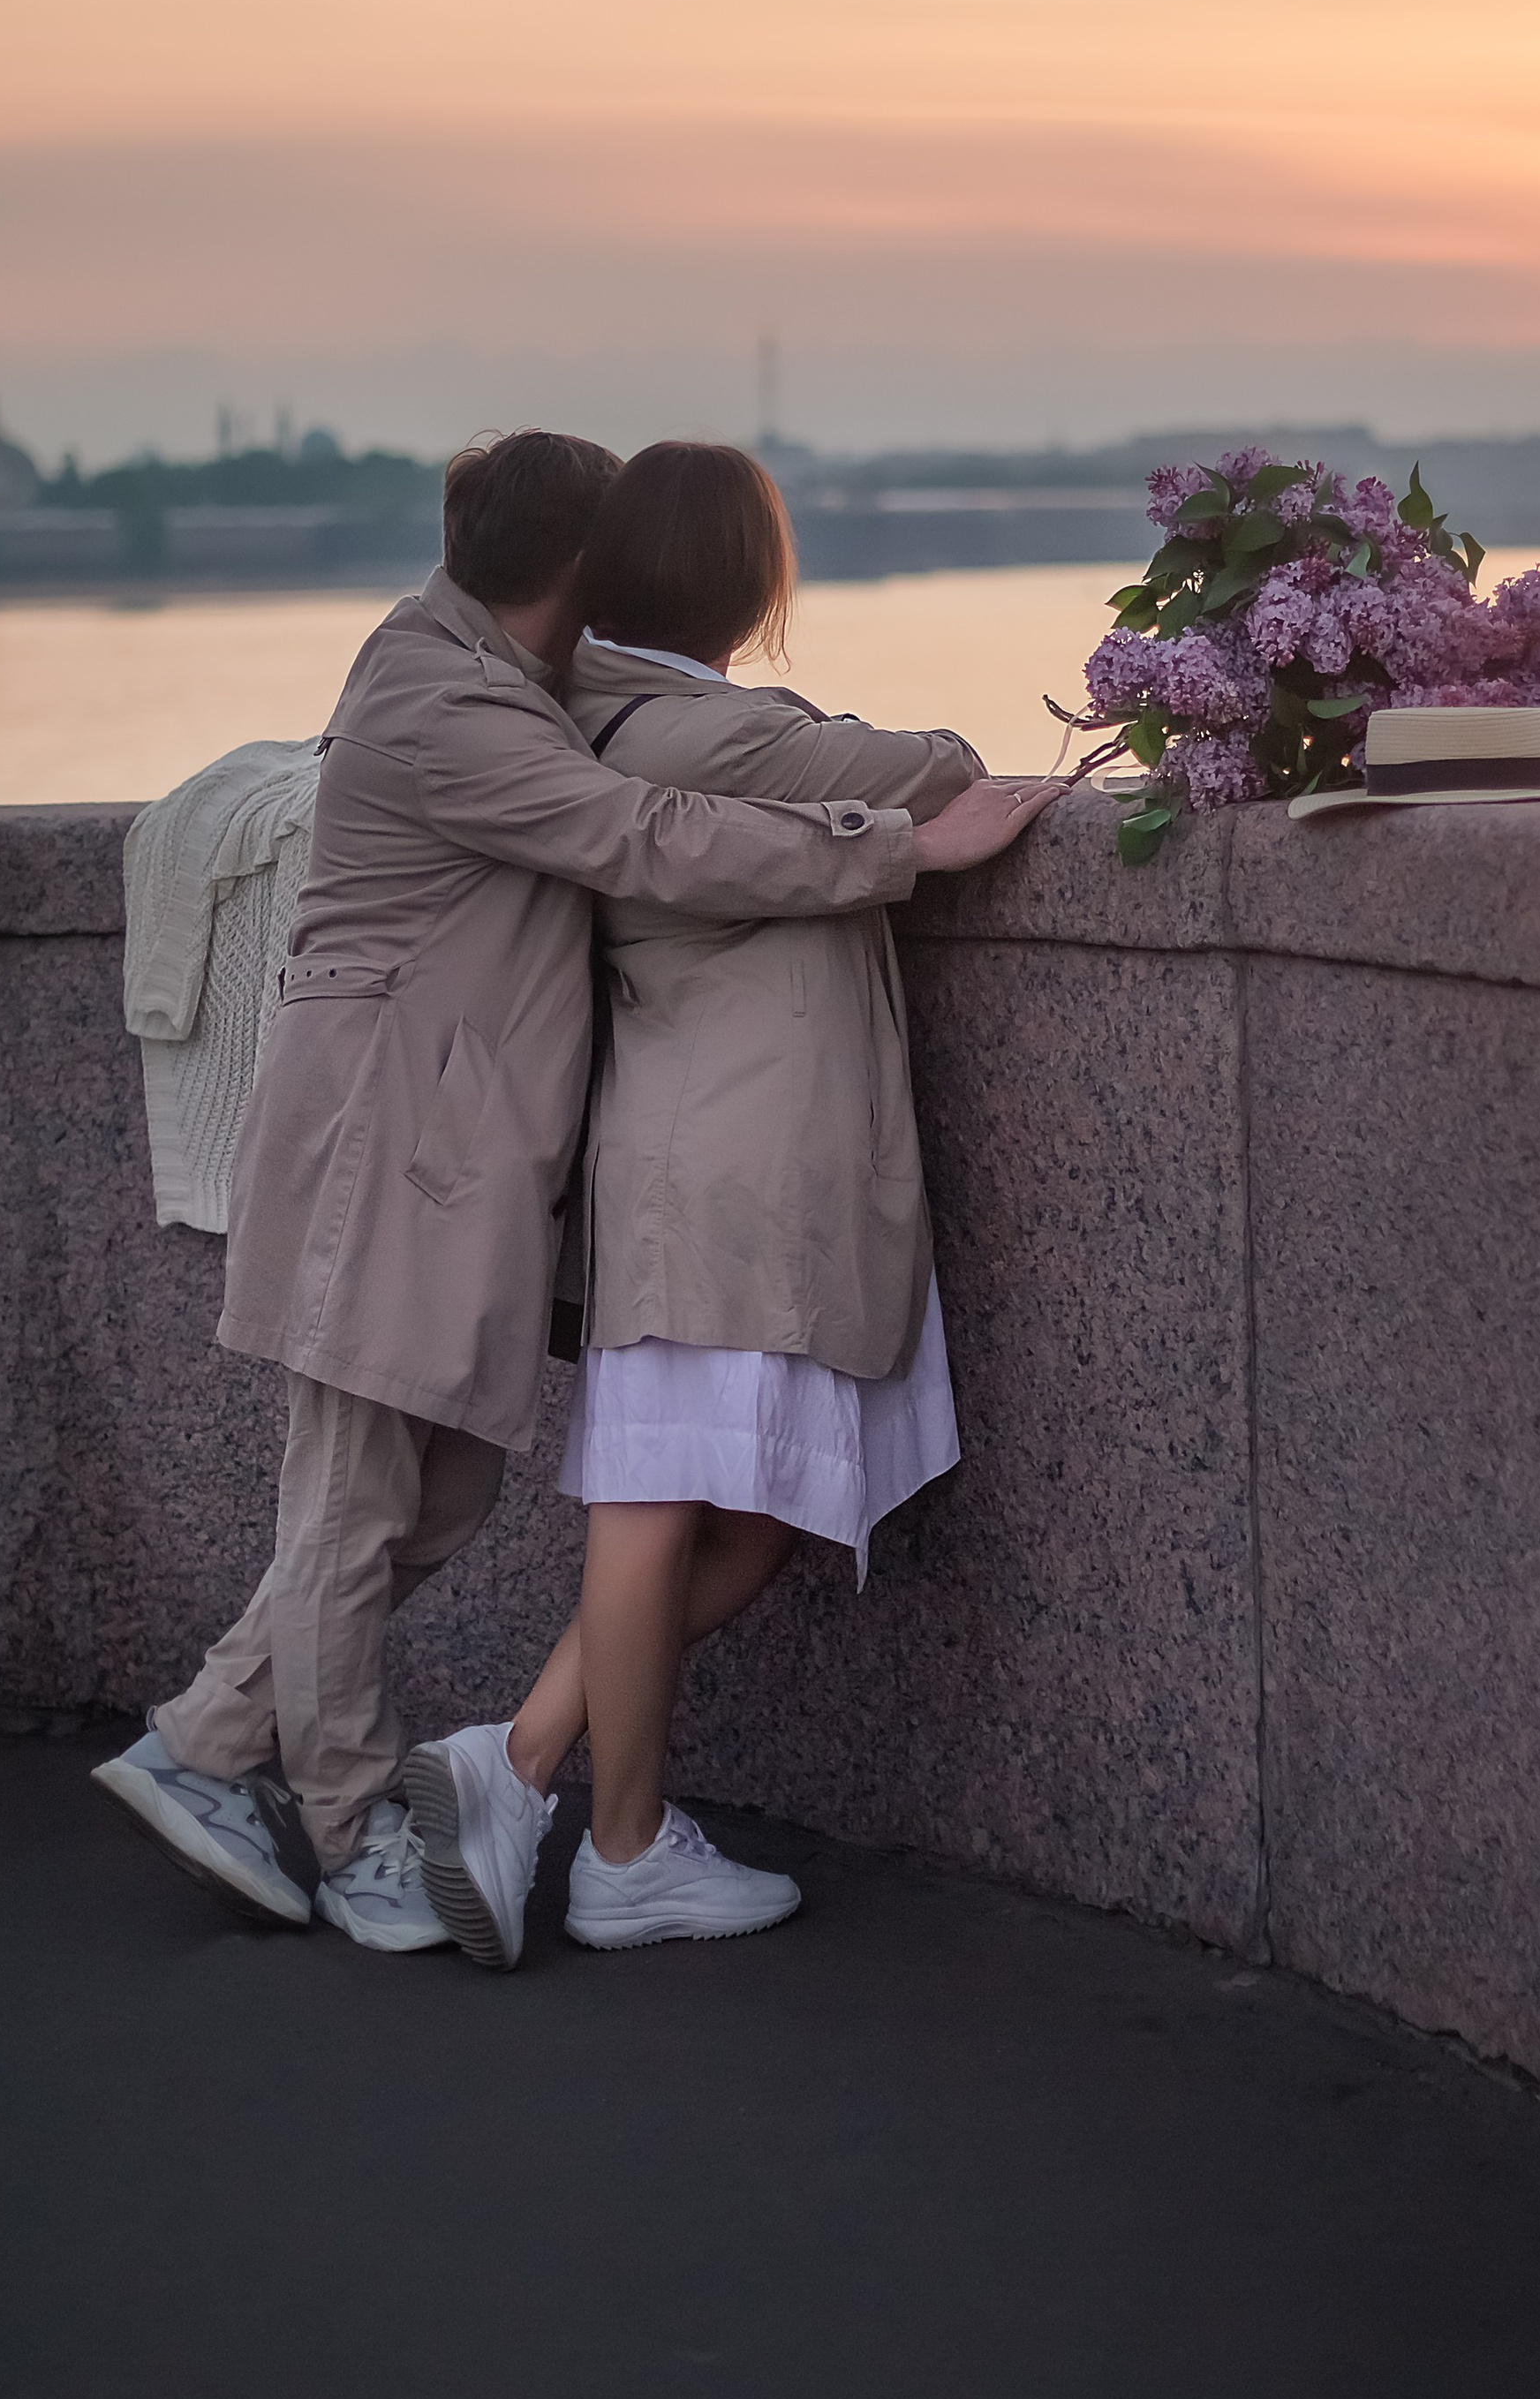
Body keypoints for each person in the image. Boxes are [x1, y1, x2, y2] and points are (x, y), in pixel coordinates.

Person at [93, 428, 1054, 1950]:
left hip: (451, 1152)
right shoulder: (442, 698)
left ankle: (208, 1743)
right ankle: (345, 1839)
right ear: (577, 569)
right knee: (352, 1501)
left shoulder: (501, 679)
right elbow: (642, 835)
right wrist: (894, 849)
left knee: (439, 1490)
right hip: (383, 1138)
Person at [405, 442, 1059, 1965]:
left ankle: (510, 1764)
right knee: (660, 1513)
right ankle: (623, 1853)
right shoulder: (679, 727)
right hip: (719, 1179)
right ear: (747, 581)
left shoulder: (604, 711)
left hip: (708, 1168)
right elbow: (938, 772)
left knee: (749, 1516)